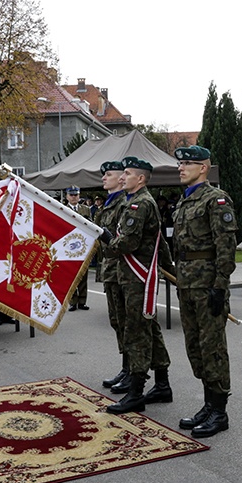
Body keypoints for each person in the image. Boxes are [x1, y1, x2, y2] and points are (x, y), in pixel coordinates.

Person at [99, 157, 173, 414]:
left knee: (137, 332)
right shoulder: (132, 201)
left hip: (137, 277)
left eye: (128, 173)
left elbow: (127, 244)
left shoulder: (140, 203)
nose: (123, 177)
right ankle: (162, 385)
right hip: (130, 276)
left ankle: (136, 392)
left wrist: (107, 241)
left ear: (140, 179)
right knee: (147, 329)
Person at [172, 145, 237, 437]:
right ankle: (209, 404)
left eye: (187, 164)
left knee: (213, 349)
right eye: (180, 164)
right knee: (195, 348)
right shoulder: (184, 202)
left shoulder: (216, 200)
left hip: (207, 285)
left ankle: (219, 411)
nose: (181, 168)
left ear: (203, 168)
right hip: (186, 284)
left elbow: (226, 248)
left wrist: (219, 288)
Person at [96, 161, 132, 392]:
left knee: (127, 322)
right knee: (117, 321)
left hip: (122, 271)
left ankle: (131, 370)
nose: (103, 178)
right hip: (109, 270)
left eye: (108, 174)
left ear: (121, 179)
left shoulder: (124, 205)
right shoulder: (107, 206)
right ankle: (126, 367)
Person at [64, 185, 91, 311]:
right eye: (72, 195)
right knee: (71, 275)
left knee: (83, 275)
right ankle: (73, 301)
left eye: (76, 195)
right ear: (67, 196)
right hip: (69, 246)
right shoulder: (63, 209)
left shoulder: (85, 209)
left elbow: (91, 225)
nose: (74, 197)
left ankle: (82, 301)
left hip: (83, 244)